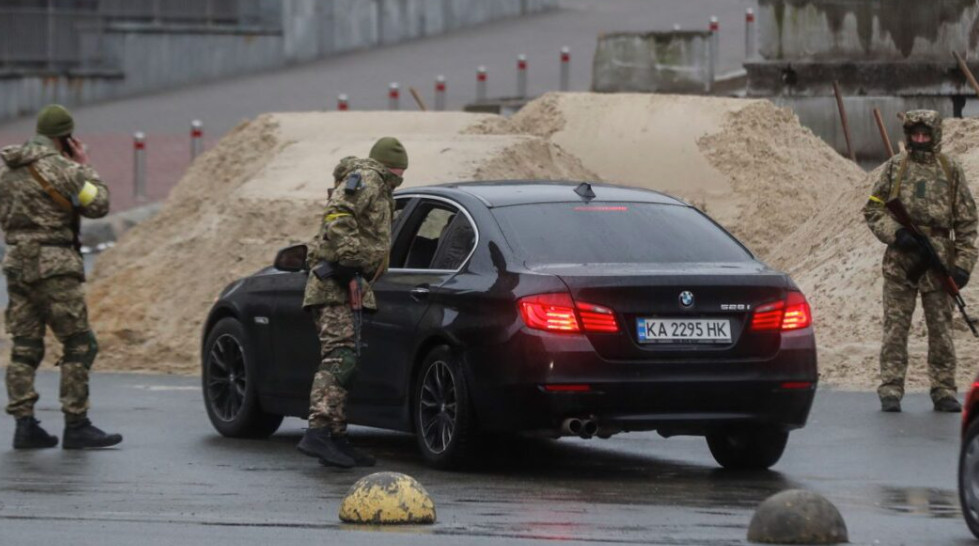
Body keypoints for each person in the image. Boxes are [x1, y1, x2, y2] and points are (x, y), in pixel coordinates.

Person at [1, 104, 122, 448]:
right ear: (64, 138)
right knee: (79, 343)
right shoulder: (65, 170)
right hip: (56, 266)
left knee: (25, 346)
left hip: (17, 264)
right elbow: (98, 203)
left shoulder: (7, 167)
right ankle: (77, 423)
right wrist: (85, 166)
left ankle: (25, 425)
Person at [297, 137, 407, 467]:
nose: (402, 176)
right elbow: (338, 214)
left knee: (348, 359)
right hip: (334, 285)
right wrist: (348, 266)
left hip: (347, 285)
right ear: (393, 167)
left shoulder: (377, 184)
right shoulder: (369, 178)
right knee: (339, 357)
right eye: (401, 170)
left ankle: (336, 436)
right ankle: (318, 432)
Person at [863, 109, 978, 413]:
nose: (920, 139)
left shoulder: (950, 169)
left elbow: (967, 222)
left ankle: (943, 389)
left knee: (941, 329)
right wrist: (897, 233)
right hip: (901, 262)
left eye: (925, 134)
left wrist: (963, 265)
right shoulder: (895, 168)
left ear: (935, 135)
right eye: (915, 134)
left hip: (938, 260)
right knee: (895, 328)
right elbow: (873, 209)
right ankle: (891, 388)